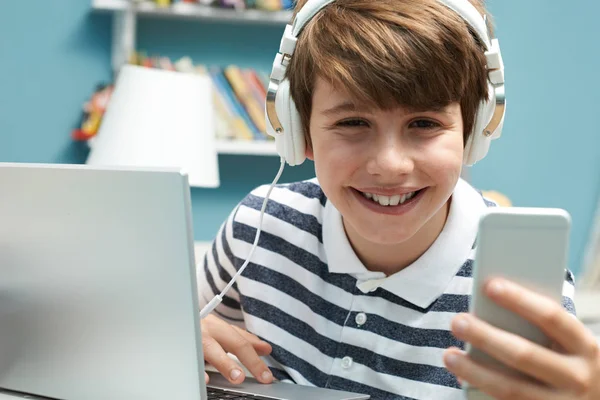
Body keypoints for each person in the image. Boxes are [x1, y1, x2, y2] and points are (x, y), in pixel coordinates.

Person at [197, 0, 600, 398]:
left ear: (475, 131)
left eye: (424, 123)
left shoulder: (519, 291)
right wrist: (178, 339)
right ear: (297, 130)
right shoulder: (260, 226)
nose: (390, 166)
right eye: (353, 122)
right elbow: (185, 342)